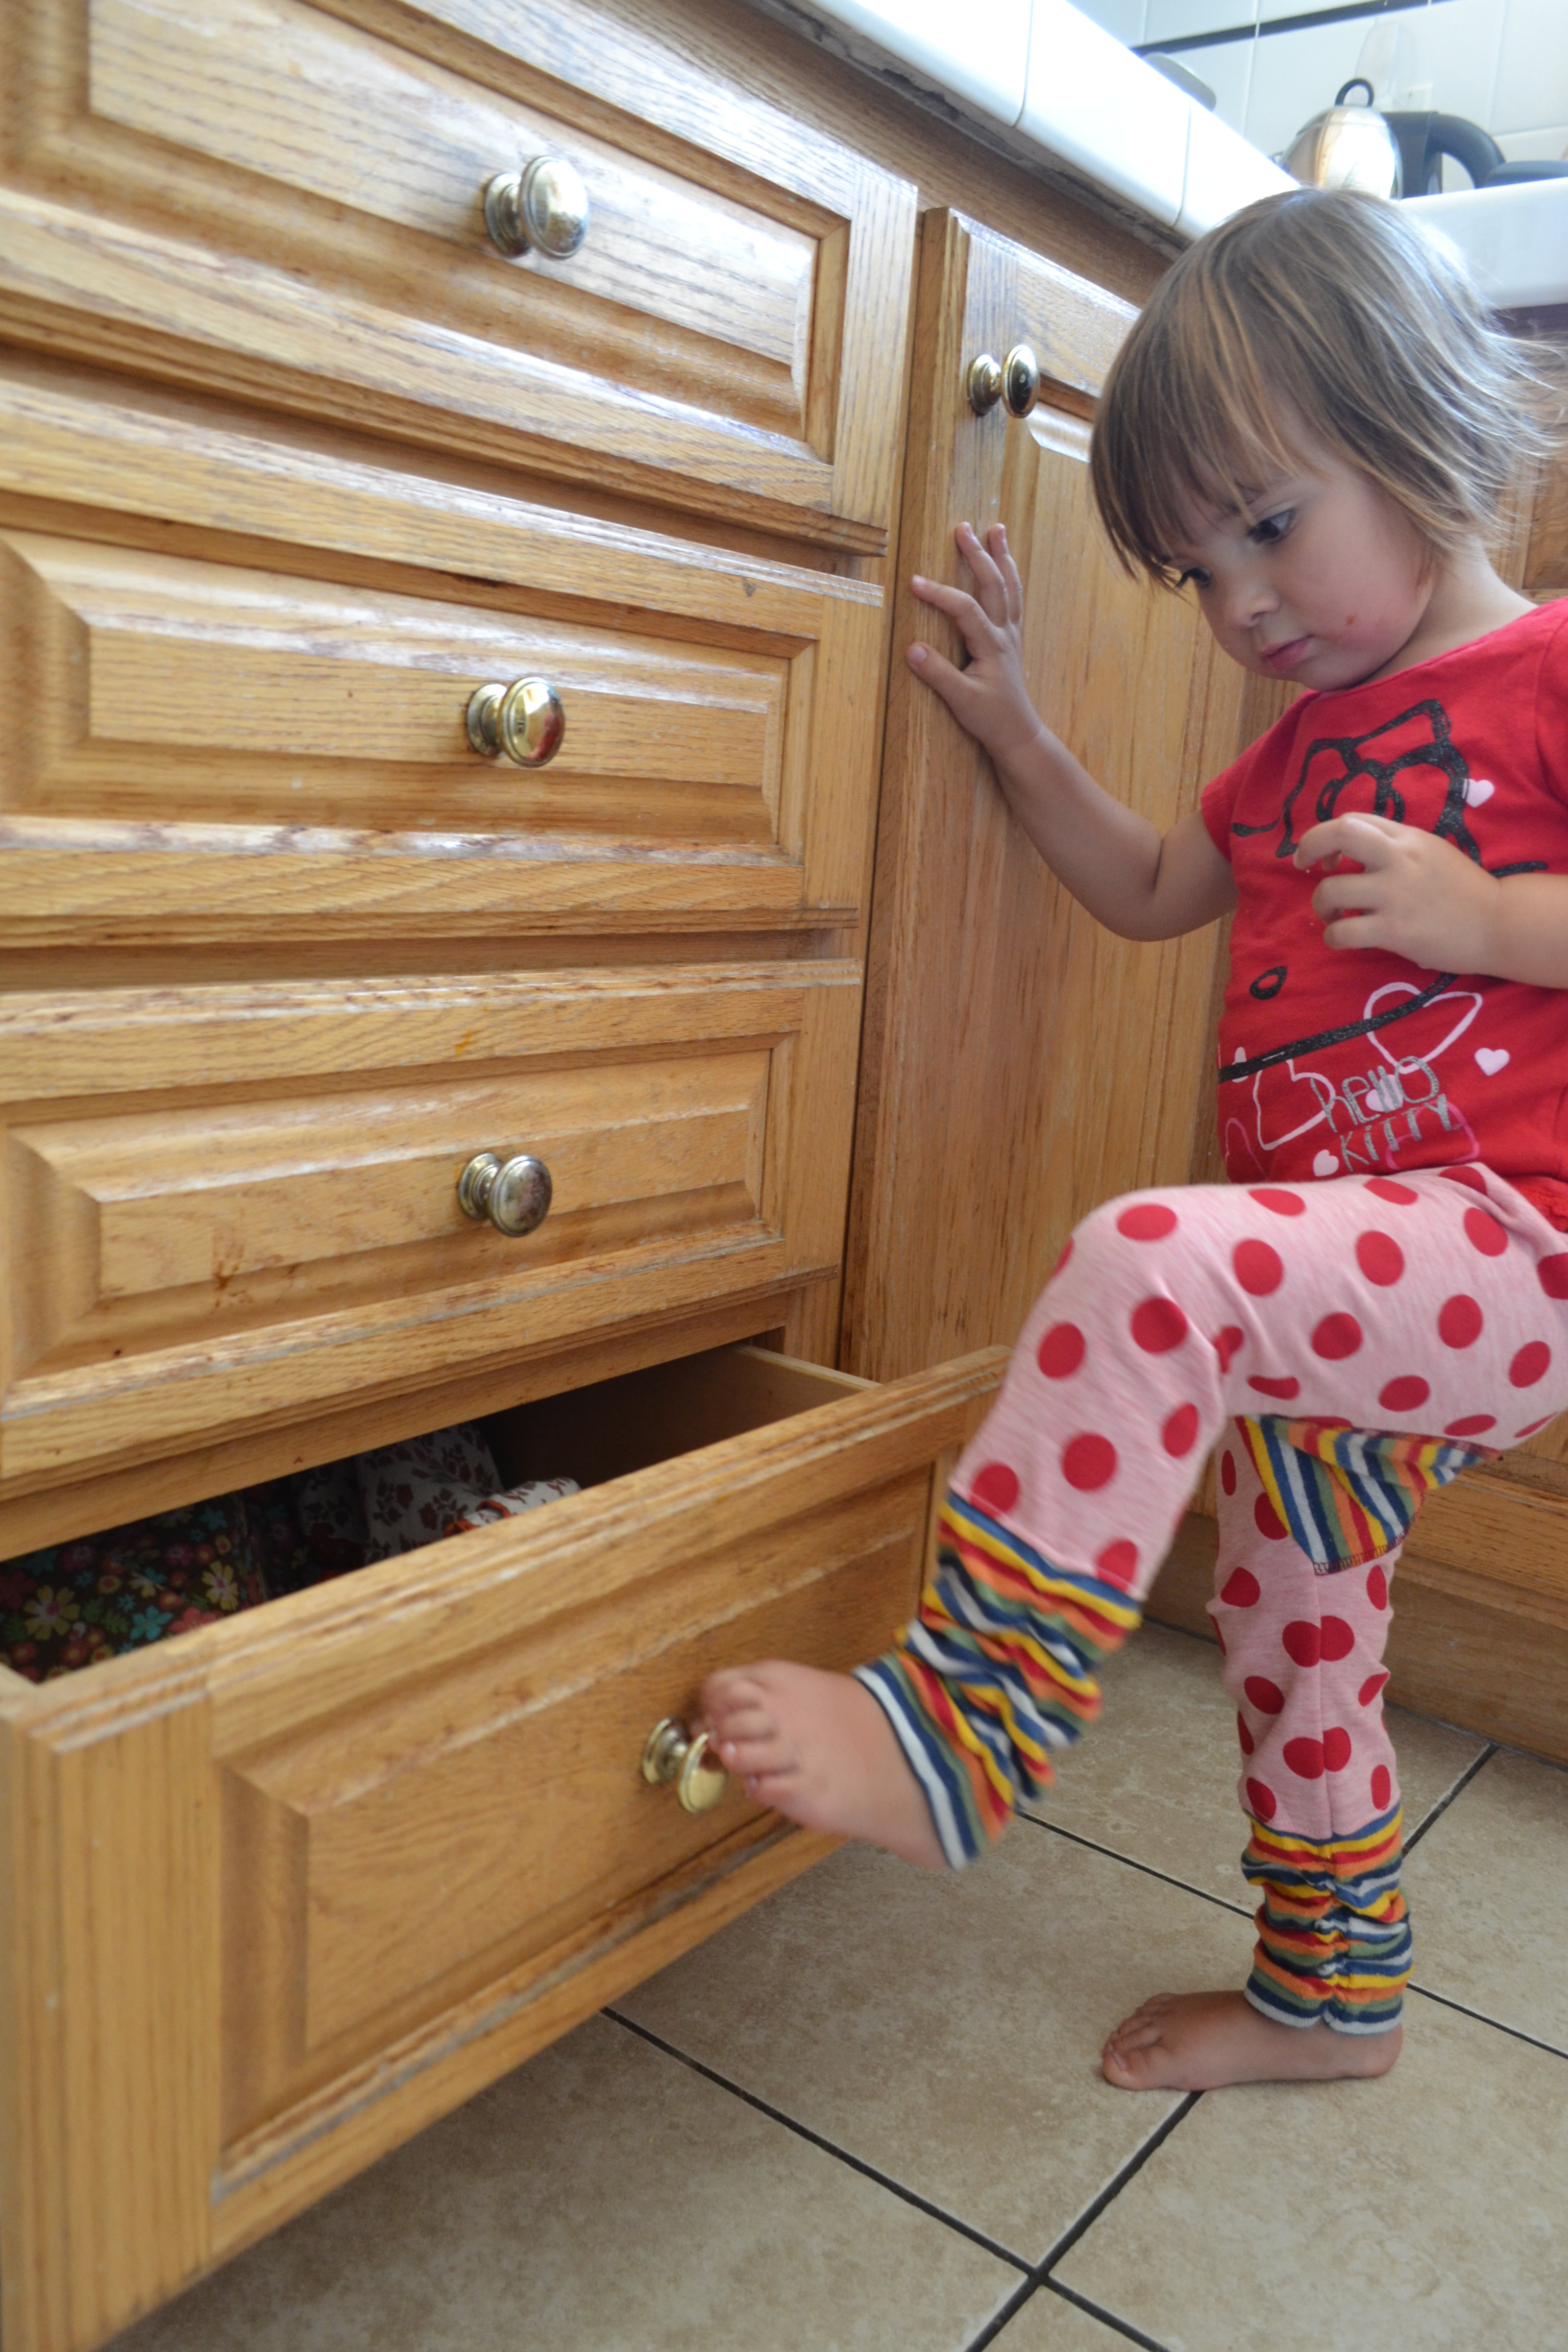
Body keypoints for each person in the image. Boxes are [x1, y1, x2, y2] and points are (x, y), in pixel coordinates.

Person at [700, 186, 1568, 2093]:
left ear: (1422, 431)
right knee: (1293, 1618)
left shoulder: (1552, 670)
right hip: (1340, 1300)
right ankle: (1329, 2000)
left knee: (1150, 1264)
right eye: (1196, 570)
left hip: (1513, 1246)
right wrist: (1016, 727)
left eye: (1271, 525)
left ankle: (960, 1728)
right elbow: (1151, 885)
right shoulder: (1289, 756)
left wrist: (1491, 921)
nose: (1241, 603)